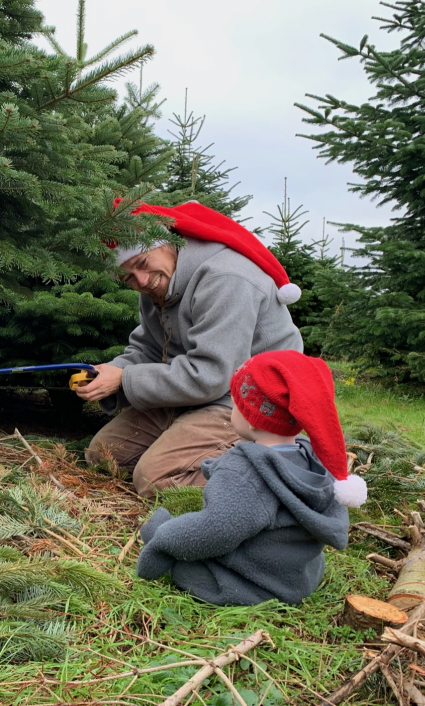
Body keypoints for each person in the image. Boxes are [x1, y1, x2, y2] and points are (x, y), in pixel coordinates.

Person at [77, 201, 304, 495]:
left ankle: (282, 474)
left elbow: (210, 375)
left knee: (154, 478)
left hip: (250, 400)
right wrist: (111, 373)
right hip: (198, 394)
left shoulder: (225, 278)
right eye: (128, 277)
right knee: (105, 455)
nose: (142, 281)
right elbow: (148, 348)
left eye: (142, 263)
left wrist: (124, 379)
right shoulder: (158, 284)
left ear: (166, 243)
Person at [134, 350, 366, 606]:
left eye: (236, 403)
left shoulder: (246, 472)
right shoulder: (312, 457)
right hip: (298, 577)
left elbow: (217, 530)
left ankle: (163, 532)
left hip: (254, 585)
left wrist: (164, 540)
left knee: (183, 557)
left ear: (253, 420)